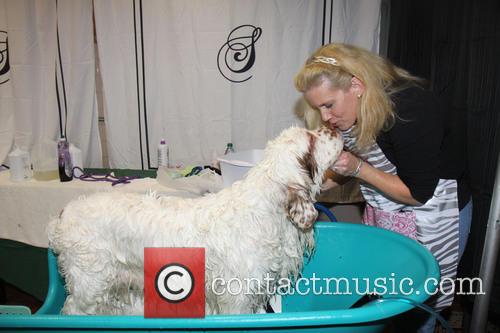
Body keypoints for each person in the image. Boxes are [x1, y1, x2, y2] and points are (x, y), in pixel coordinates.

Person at [295, 43, 472, 332]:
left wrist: (358, 168)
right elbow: (349, 166)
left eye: (329, 105)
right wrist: (309, 188)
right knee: (384, 300)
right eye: (318, 108)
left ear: (356, 85)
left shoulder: (411, 109)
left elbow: (417, 193)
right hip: (389, 211)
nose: (325, 117)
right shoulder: (349, 112)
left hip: (432, 212)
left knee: (418, 309)